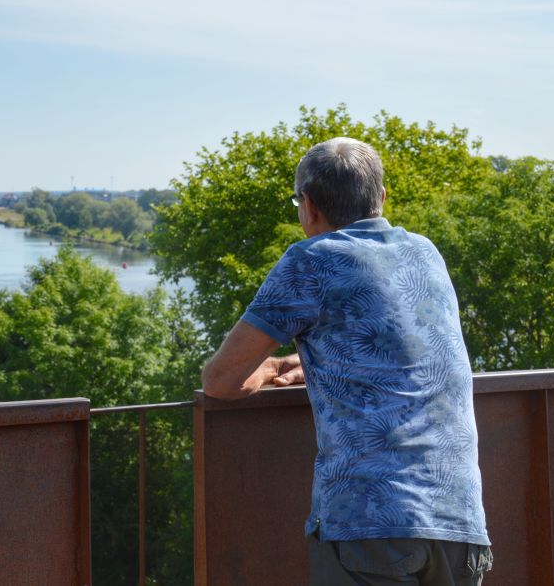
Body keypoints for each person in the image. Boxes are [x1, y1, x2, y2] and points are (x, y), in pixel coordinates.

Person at [201, 137, 492, 585]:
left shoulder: (312, 260)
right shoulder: (425, 252)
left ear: (309, 206)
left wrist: (272, 368)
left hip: (369, 525)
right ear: (381, 197)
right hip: (460, 521)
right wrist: (320, 364)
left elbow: (221, 379)